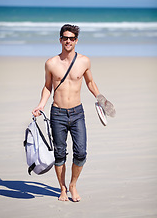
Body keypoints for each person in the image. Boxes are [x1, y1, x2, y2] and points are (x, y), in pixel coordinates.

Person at [32, 24, 115, 202]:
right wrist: (41, 105)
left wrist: (100, 98)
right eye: (65, 38)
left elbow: (90, 82)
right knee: (60, 154)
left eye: (71, 38)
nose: (68, 41)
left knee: (81, 152)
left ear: (76, 40)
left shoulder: (84, 61)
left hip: (77, 113)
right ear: (60, 39)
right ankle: (62, 188)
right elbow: (48, 87)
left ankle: (73, 184)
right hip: (57, 114)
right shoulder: (51, 63)